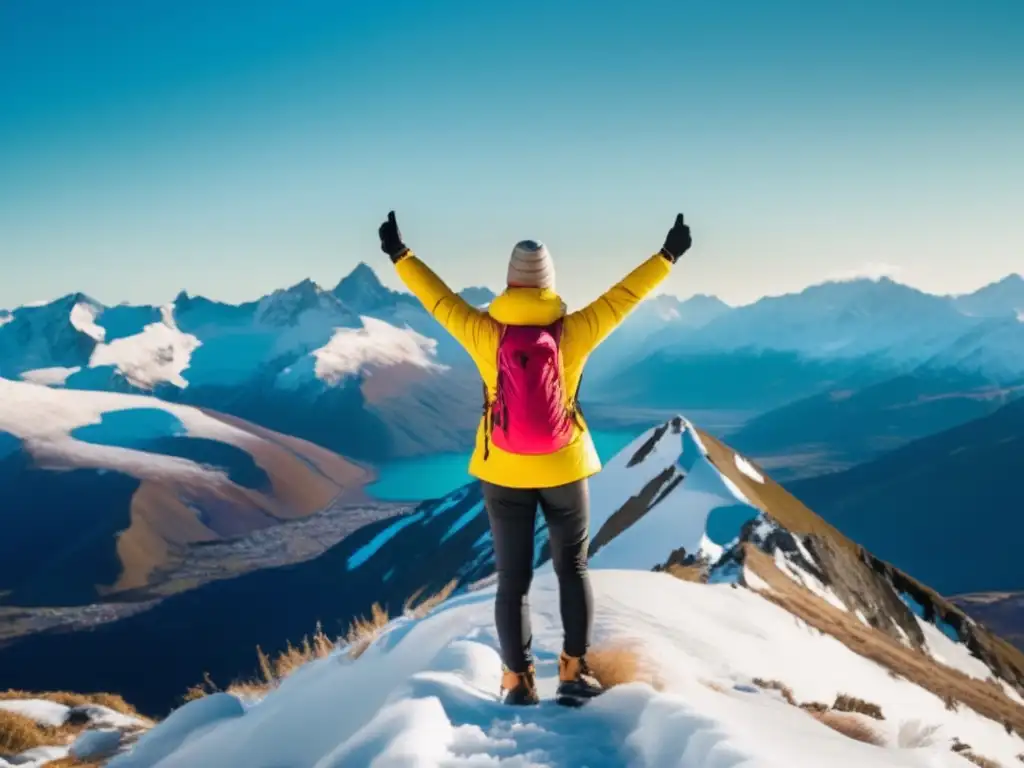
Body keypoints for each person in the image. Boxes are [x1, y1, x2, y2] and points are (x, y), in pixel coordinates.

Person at [378, 210, 692, 706]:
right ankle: (572, 672)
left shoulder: (485, 333)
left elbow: (437, 299)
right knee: (573, 569)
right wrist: (668, 255)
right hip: (565, 466)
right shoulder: (575, 331)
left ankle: (517, 681)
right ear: (549, 284)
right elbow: (624, 297)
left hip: (502, 470)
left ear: (509, 281)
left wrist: (400, 254)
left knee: (513, 581)